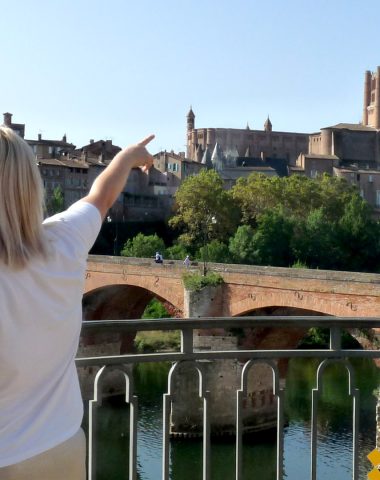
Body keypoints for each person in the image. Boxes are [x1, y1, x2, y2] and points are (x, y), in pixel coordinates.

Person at [0, 126, 154, 479]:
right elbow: (102, 194)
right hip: (64, 447)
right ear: (30, 187)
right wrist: (130, 156)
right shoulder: (64, 240)